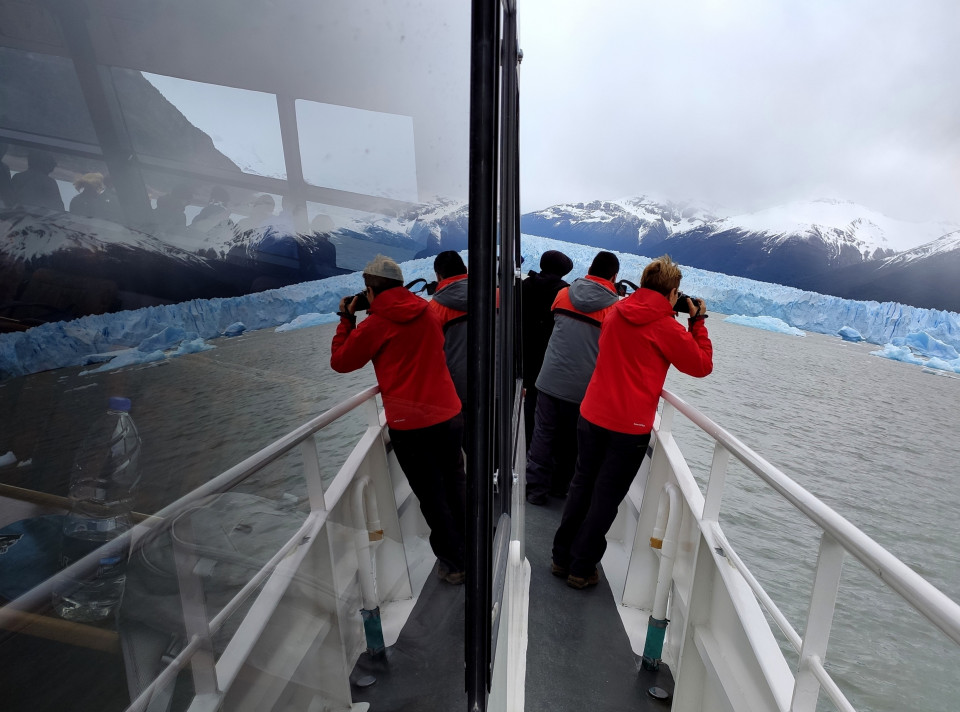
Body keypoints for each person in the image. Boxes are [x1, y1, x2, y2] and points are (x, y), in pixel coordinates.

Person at [552, 255, 713, 589]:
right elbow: (700, 365)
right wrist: (697, 323)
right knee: (605, 497)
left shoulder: (614, 312)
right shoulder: (666, 327)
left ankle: (560, 556)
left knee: (582, 486)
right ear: (672, 294)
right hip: (629, 428)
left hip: (592, 414)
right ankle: (581, 568)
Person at [330, 255, 467, 584]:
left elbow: (341, 361)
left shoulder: (376, 325)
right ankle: (474, 546)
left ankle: (455, 563)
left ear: (370, 290)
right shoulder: (428, 310)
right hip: (449, 414)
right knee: (456, 485)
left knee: (433, 496)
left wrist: (345, 319)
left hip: (412, 425)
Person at [526, 251, 619, 505]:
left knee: (542, 435)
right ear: (614, 276)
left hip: (549, 379)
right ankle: (559, 488)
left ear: (589, 269)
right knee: (572, 441)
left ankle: (535, 490)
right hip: (584, 388)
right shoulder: (614, 309)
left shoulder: (563, 294)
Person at [521, 250, 573, 445]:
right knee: (539, 403)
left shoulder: (525, 284)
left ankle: (519, 443)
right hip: (547, 354)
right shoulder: (563, 291)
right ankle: (533, 446)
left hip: (521, 348)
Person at [428, 250, 469, 407]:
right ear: (465, 269)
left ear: (438, 276)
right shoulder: (495, 296)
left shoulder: (433, 309)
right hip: (496, 383)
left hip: (455, 391)